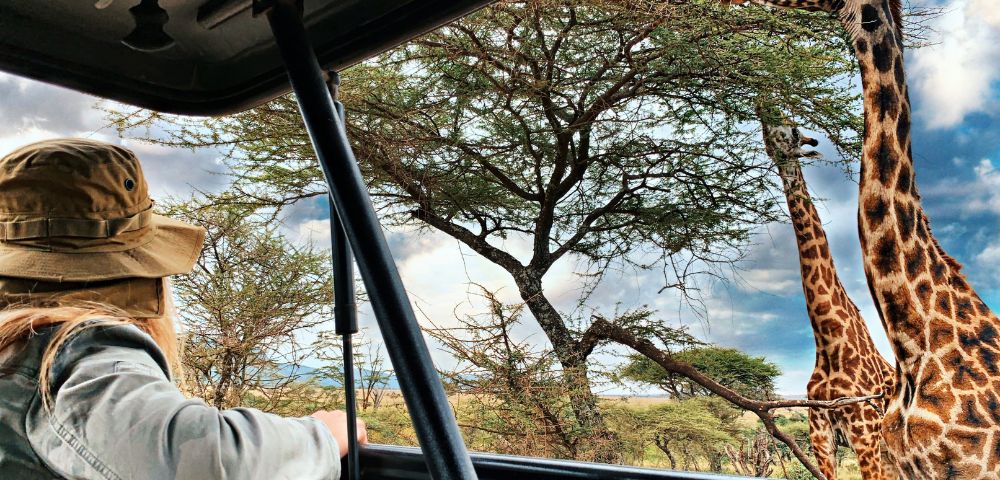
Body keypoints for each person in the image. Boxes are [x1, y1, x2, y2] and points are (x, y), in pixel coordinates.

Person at [0, 138, 366, 479]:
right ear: (140, 271)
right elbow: (206, 457)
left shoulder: (14, 348)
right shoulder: (70, 353)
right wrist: (322, 437)